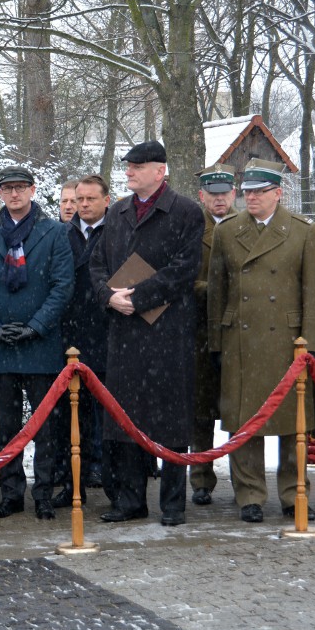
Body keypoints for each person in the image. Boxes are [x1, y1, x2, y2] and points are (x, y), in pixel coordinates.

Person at [90, 140, 202, 527]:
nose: (129, 172)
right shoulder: (118, 212)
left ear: (160, 171)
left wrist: (137, 298)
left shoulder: (186, 212)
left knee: (172, 423)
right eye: (128, 166)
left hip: (168, 332)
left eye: (137, 166)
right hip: (124, 333)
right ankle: (130, 500)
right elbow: (98, 264)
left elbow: (184, 270)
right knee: (125, 420)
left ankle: (172, 503)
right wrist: (108, 296)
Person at [208, 158, 315, 523]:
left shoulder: (303, 231)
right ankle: (249, 495)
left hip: (289, 342)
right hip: (240, 340)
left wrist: (312, 344)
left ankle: (294, 493)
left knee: (294, 424)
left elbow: (314, 293)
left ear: (278, 193)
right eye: (248, 192)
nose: (252, 198)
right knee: (245, 421)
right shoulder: (228, 231)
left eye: (260, 192)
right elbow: (217, 292)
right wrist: (216, 342)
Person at [0, 165, 74, 520]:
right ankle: (11, 493)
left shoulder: (54, 232)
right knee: (7, 425)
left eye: (20, 187)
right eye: (8, 188)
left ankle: (43, 493)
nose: (14, 194)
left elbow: (62, 286)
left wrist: (36, 326)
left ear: (32, 189)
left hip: (41, 343)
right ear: (0, 193)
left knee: (45, 426)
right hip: (0, 344)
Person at [55, 174, 112, 508]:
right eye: (80, 199)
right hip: (70, 334)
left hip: (108, 332)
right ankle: (71, 482)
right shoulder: (62, 234)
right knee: (72, 414)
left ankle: (112, 483)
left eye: (91, 199)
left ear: (107, 200)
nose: (84, 205)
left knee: (108, 412)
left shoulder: (119, 232)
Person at [190, 163, 238, 507]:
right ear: (201, 196)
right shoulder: (192, 231)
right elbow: (184, 278)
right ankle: (201, 479)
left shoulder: (246, 227)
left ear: (234, 194)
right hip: (200, 330)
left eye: (224, 194)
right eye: (213, 194)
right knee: (201, 411)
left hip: (239, 331)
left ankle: (244, 481)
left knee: (240, 409)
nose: (219, 200)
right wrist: (215, 290)